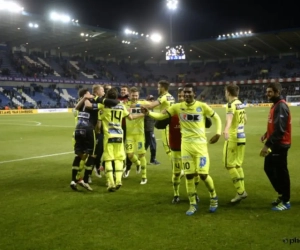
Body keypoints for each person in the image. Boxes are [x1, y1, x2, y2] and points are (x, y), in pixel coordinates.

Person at [141, 83, 222, 215]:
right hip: (186, 147)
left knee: (203, 175)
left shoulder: (202, 106)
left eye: (189, 92)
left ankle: (213, 197)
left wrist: (218, 133)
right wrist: (149, 112)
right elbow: (162, 117)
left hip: (200, 147)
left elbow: (216, 117)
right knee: (189, 176)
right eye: (185, 93)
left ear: (194, 93)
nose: (187, 94)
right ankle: (192, 204)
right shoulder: (177, 107)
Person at [260, 82, 292, 211]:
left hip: (280, 144)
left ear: (277, 92)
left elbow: (280, 129)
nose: (267, 94)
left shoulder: (281, 106)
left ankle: (286, 200)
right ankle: (281, 194)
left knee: (281, 172)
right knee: (268, 168)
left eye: (270, 92)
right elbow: (274, 125)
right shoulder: (275, 105)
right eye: (267, 91)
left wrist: (266, 145)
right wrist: (266, 134)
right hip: (276, 143)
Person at [92, 88, 132, 191]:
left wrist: (97, 131)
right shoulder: (121, 106)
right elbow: (130, 117)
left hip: (108, 137)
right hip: (119, 136)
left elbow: (99, 125)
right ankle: (118, 181)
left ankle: (111, 183)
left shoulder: (103, 106)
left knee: (108, 160)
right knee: (119, 159)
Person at [136, 80, 175, 161]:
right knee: (169, 146)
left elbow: (150, 105)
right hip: (171, 122)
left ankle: (178, 166)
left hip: (166, 122)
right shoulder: (171, 97)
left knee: (167, 146)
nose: (157, 89)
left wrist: (138, 104)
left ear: (163, 88)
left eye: (158, 87)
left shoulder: (163, 97)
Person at [223, 83, 248, 203]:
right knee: (237, 164)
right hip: (242, 136)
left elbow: (229, 120)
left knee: (229, 165)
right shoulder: (240, 104)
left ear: (228, 92)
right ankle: (241, 191)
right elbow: (246, 120)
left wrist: (226, 130)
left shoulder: (231, 105)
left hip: (233, 138)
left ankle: (241, 191)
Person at [123, 87, 149, 184]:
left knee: (141, 155)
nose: (135, 97)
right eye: (133, 95)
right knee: (129, 155)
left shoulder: (142, 103)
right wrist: (141, 114)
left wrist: (138, 109)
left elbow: (151, 105)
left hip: (140, 134)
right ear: (129, 95)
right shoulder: (125, 104)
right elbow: (127, 114)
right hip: (129, 134)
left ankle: (144, 176)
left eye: (136, 95)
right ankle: (137, 163)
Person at [144, 95, 160, 165]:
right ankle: (152, 160)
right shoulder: (146, 110)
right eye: (150, 100)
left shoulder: (151, 109)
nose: (152, 101)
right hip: (148, 130)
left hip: (150, 129)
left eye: (153, 100)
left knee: (146, 145)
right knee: (153, 144)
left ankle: (140, 158)